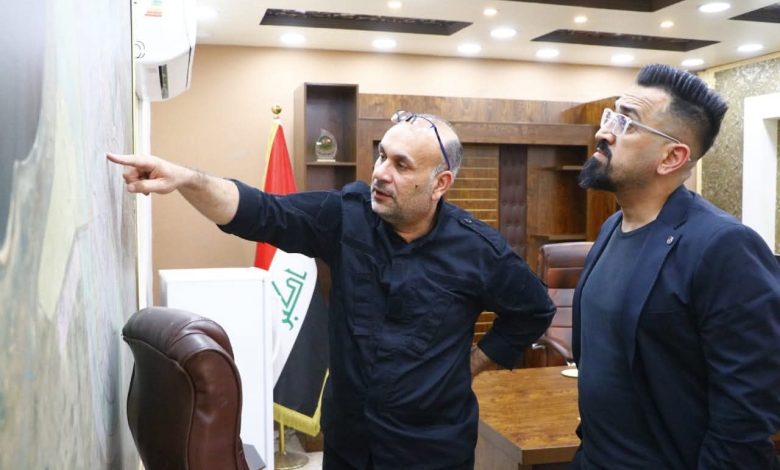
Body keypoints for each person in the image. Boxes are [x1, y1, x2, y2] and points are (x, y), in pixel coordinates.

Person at [108, 111, 555, 469]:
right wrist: (187, 179)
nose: (381, 173)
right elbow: (260, 211)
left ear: (441, 184)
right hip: (348, 445)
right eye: (382, 156)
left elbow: (533, 309)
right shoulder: (346, 216)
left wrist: (472, 365)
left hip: (430, 450)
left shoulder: (478, 250)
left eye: (401, 165)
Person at [572, 63, 780, 469]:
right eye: (610, 116)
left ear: (671, 157)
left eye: (626, 123)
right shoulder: (612, 227)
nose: (604, 132)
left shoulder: (724, 247)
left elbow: (746, 412)